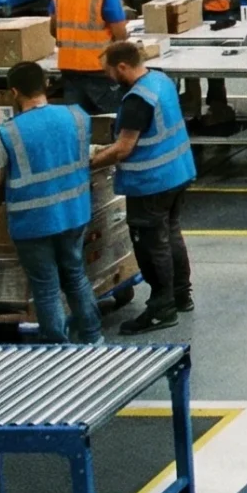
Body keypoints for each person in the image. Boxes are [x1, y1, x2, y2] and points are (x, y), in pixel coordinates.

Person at [0, 61, 101, 343]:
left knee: (46, 286)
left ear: (14, 92)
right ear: (46, 84)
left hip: (33, 221)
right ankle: (93, 337)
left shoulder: (9, 132)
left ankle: (56, 345)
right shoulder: (76, 116)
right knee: (75, 275)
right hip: (74, 212)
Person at [90, 42, 195, 333]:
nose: (109, 78)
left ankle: (162, 309)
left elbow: (123, 148)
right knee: (170, 234)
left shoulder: (137, 100)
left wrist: (91, 162)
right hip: (178, 172)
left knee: (151, 246)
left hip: (151, 182)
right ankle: (180, 295)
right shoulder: (160, 80)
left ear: (122, 67)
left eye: (109, 71)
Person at [53, 0, 129, 115]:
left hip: (68, 66)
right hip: (97, 67)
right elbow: (121, 35)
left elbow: (53, 29)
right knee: (111, 117)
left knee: (76, 119)